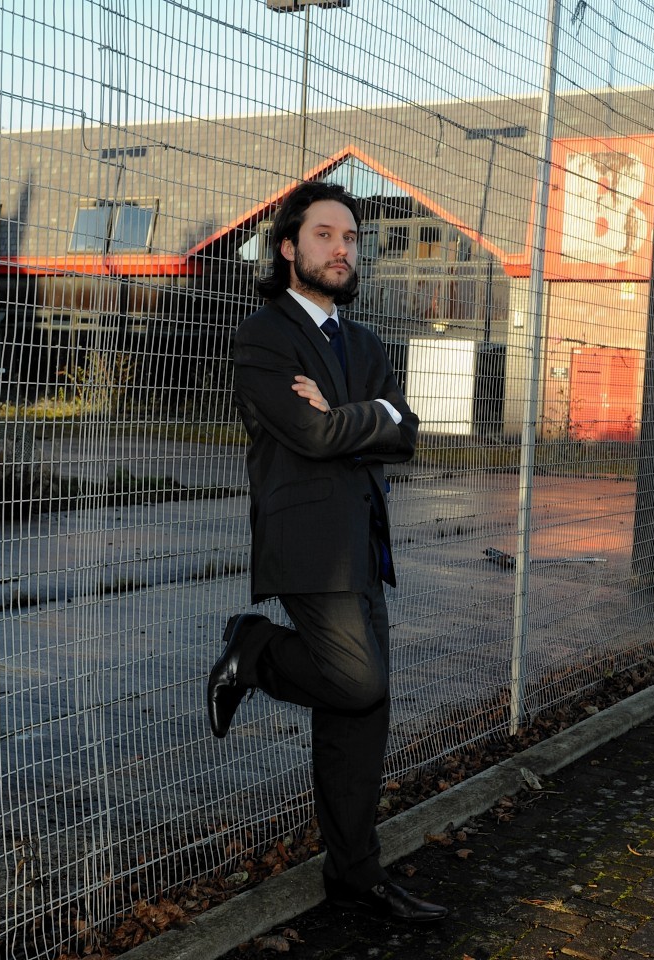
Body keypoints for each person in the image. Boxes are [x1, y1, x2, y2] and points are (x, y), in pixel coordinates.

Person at [206, 181, 447, 923]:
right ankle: (254, 652)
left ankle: (354, 874)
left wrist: (364, 412)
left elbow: (405, 434)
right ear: (288, 247)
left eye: (350, 237)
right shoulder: (265, 334)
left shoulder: (366, 343)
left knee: (360, 713)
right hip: (308, 543)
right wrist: (369, 417)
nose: (342, 248)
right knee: (359, 681)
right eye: (324, 235)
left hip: (364, 542)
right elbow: (309, 437)